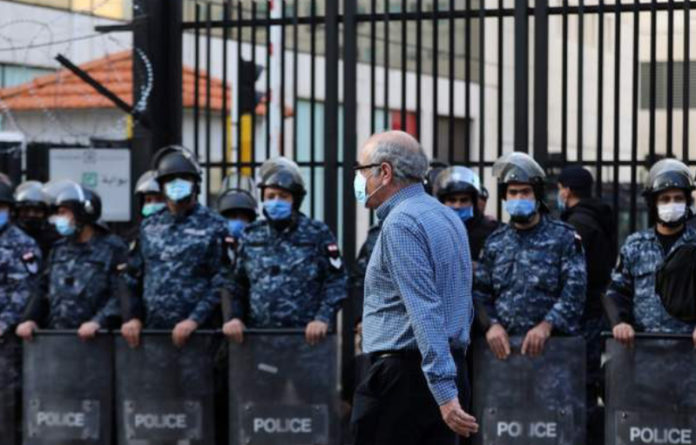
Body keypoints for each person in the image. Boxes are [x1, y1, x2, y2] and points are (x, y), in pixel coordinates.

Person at [350, 131, 478, 444]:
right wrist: (450, 383)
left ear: (385, 172)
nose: (359, 180)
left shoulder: (401, 223)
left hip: (407, 377)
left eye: (362, 171)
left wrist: (444, 394)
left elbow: (425, 311)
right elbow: (462, 304)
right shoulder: (447, 216)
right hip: (447, 367)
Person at [222, 157, 347, 345]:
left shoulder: (317, 234)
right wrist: (234, 317)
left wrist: (323, 318)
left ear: (294, 201)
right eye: (270, 197)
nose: (276, 202)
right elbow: (236, 284)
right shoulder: (250, 236)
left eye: (283, 196)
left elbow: (337, 281)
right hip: (258, 340)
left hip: (305, 342)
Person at [474, 152, 587, 359]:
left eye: (525, 192)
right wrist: (491, 325)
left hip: (554, 350)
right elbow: (480, 292)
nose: (519, 198)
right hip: (504, 354)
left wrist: (547, 325)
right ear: (504, 197)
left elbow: (575, 291)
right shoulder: (495, 243)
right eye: (513, 193)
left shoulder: (564, 238)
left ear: (537, 196)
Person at [120, 145, 229, 348]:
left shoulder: (215, 226)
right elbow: (132, 277)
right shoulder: (149, 226)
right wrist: (133, 317)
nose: (176, 185)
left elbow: (221, 281)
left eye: (183, 179)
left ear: (195, 184)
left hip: (199, 337)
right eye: (170, 180)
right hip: (153, 335)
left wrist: (194, 319)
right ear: (161, 186)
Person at [15, 181, 126, 341]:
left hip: (98, 341)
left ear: (83, 213)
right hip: (58, 339)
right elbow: (42, 287)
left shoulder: (112, 248)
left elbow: (121, 292)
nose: (60, 219)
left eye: (64, 213)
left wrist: (99, 322)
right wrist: (29, 319)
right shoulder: (59, 249)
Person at [605, 158, 696, 345]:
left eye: (678, 198)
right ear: (653, 203)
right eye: (665, 199)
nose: (672, 204)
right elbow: (617, 291)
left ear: (687, 202)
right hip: (644, 351)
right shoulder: (635, 245)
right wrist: (620, 322)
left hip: (688, 351)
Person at [557, 165, 617, 443]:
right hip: (593, 314)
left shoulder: (576, 225)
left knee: (577, 388)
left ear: (567, 191)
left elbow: (570, 275)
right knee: (587, 384)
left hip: (579, 317)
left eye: (559, 189)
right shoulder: (599, 217)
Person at [0, 180, 41, 338]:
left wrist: (4, 322)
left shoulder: (23, 244)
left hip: (6, 335)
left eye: (1, 207)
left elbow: (25, 290)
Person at [433, 166, 500, 261]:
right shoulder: (432, 232)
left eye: (464, 200)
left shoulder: (491, 232)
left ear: (473, 203)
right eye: (452, 200)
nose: (457, 205)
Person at [14, 180, 58, 257]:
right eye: (26, 210)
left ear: (45, 214)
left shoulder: (55, 238)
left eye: (37, 211)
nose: (31, 215)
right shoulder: (8, 236)